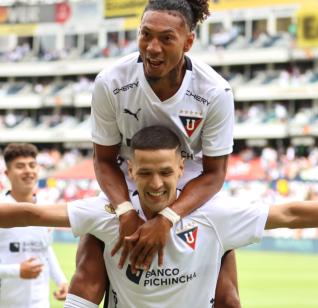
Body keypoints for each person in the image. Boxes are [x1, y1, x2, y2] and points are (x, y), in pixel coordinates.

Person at [0, 126, 318, 308]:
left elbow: (287, 212)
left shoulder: (213, 212)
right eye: (144, 174)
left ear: (180, 169)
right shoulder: (109, 213)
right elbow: (29, 211)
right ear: (130, 169)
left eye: (165, 174)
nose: (154, 185)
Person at [76, 0, 239, 306]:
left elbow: (215, 174)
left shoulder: (215, 91)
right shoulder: (110, 83)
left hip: (191, 195)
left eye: (166, 38)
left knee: (228, 299)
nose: (152, 48)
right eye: (145, 35)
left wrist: (167, 218)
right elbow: (104, 160)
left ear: (189, 41)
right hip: (127, 187)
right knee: (87, 273)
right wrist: (125, 211)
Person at [0, 143, 68, 307]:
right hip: (0, 303)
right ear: (7, 173)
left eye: (32, 165)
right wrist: (17, 271)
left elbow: (44, 249)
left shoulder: (46, 208)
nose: (28, 171)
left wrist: (61, 281)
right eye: (20, 166)